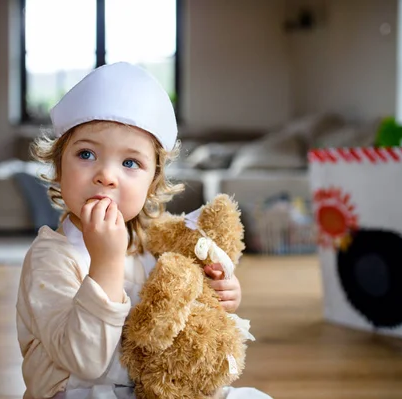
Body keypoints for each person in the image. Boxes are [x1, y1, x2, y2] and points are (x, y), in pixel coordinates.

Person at [16, 62, 273, 399]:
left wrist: (222, 292)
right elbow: (84, 362)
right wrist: (105, 263)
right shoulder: (50, 258)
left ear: (152, 185)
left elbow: (177, 310)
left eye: (130, 162)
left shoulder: (150, 243)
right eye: (86, 153)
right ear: (58, 168)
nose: (106, 175)